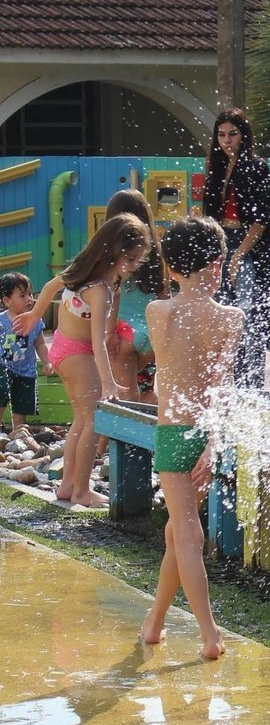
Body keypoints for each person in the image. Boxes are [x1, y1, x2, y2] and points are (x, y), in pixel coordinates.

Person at [139, 216, 244, 660]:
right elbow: (221, 388)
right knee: (183, 535)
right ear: (217, 263)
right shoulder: (231, 318)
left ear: (172, 268)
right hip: (203, 434)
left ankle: (174, 626)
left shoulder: (157, 312)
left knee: (182, 535)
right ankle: (196, 630)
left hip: (170, 433)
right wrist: (213, 441)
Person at [15, 214, 151, 507]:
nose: (135, 266)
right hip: (79, 354)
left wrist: (35, 315)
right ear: (113, 253)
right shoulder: (99, 290)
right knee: (93, 423)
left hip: (63, 349)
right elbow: (99, 342)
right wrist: (109, 382)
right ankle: (81, 490)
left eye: (139, 259)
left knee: (80, 421)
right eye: (132, 259)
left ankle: (66, 486)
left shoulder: (80, 273)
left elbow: (51, 286)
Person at [202, 108, 270, 388]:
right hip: (221, 240)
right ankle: (226, 382)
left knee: (248, 314)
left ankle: (251, 384)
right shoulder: (217, 167)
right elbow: (209, 216)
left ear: (244, 135)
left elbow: (261, 220)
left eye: (233, 134)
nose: (226, 140)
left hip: (248, 244)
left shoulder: (257, 167)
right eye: (221, 134)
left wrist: (239, 255)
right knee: (222, 312)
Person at [104, 190, 171, 404]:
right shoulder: (156, 254)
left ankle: (125, 438)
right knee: (147, 391)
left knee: (125, 395)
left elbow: (111, 295)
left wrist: (109, 331)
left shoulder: (111, 254)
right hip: (150, 335)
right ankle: (158, 434)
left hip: (121, 334)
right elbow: (165, 297)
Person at [0, 272, 51, 432]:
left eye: (30, 294)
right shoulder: (2, 321)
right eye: (23, 295)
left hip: (26, 373)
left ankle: (18, 437)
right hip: (3, 368)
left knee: (20, 411)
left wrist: (47, 361)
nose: (29, 299)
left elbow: (41, 344)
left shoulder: (36, 322)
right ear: (7, 301)